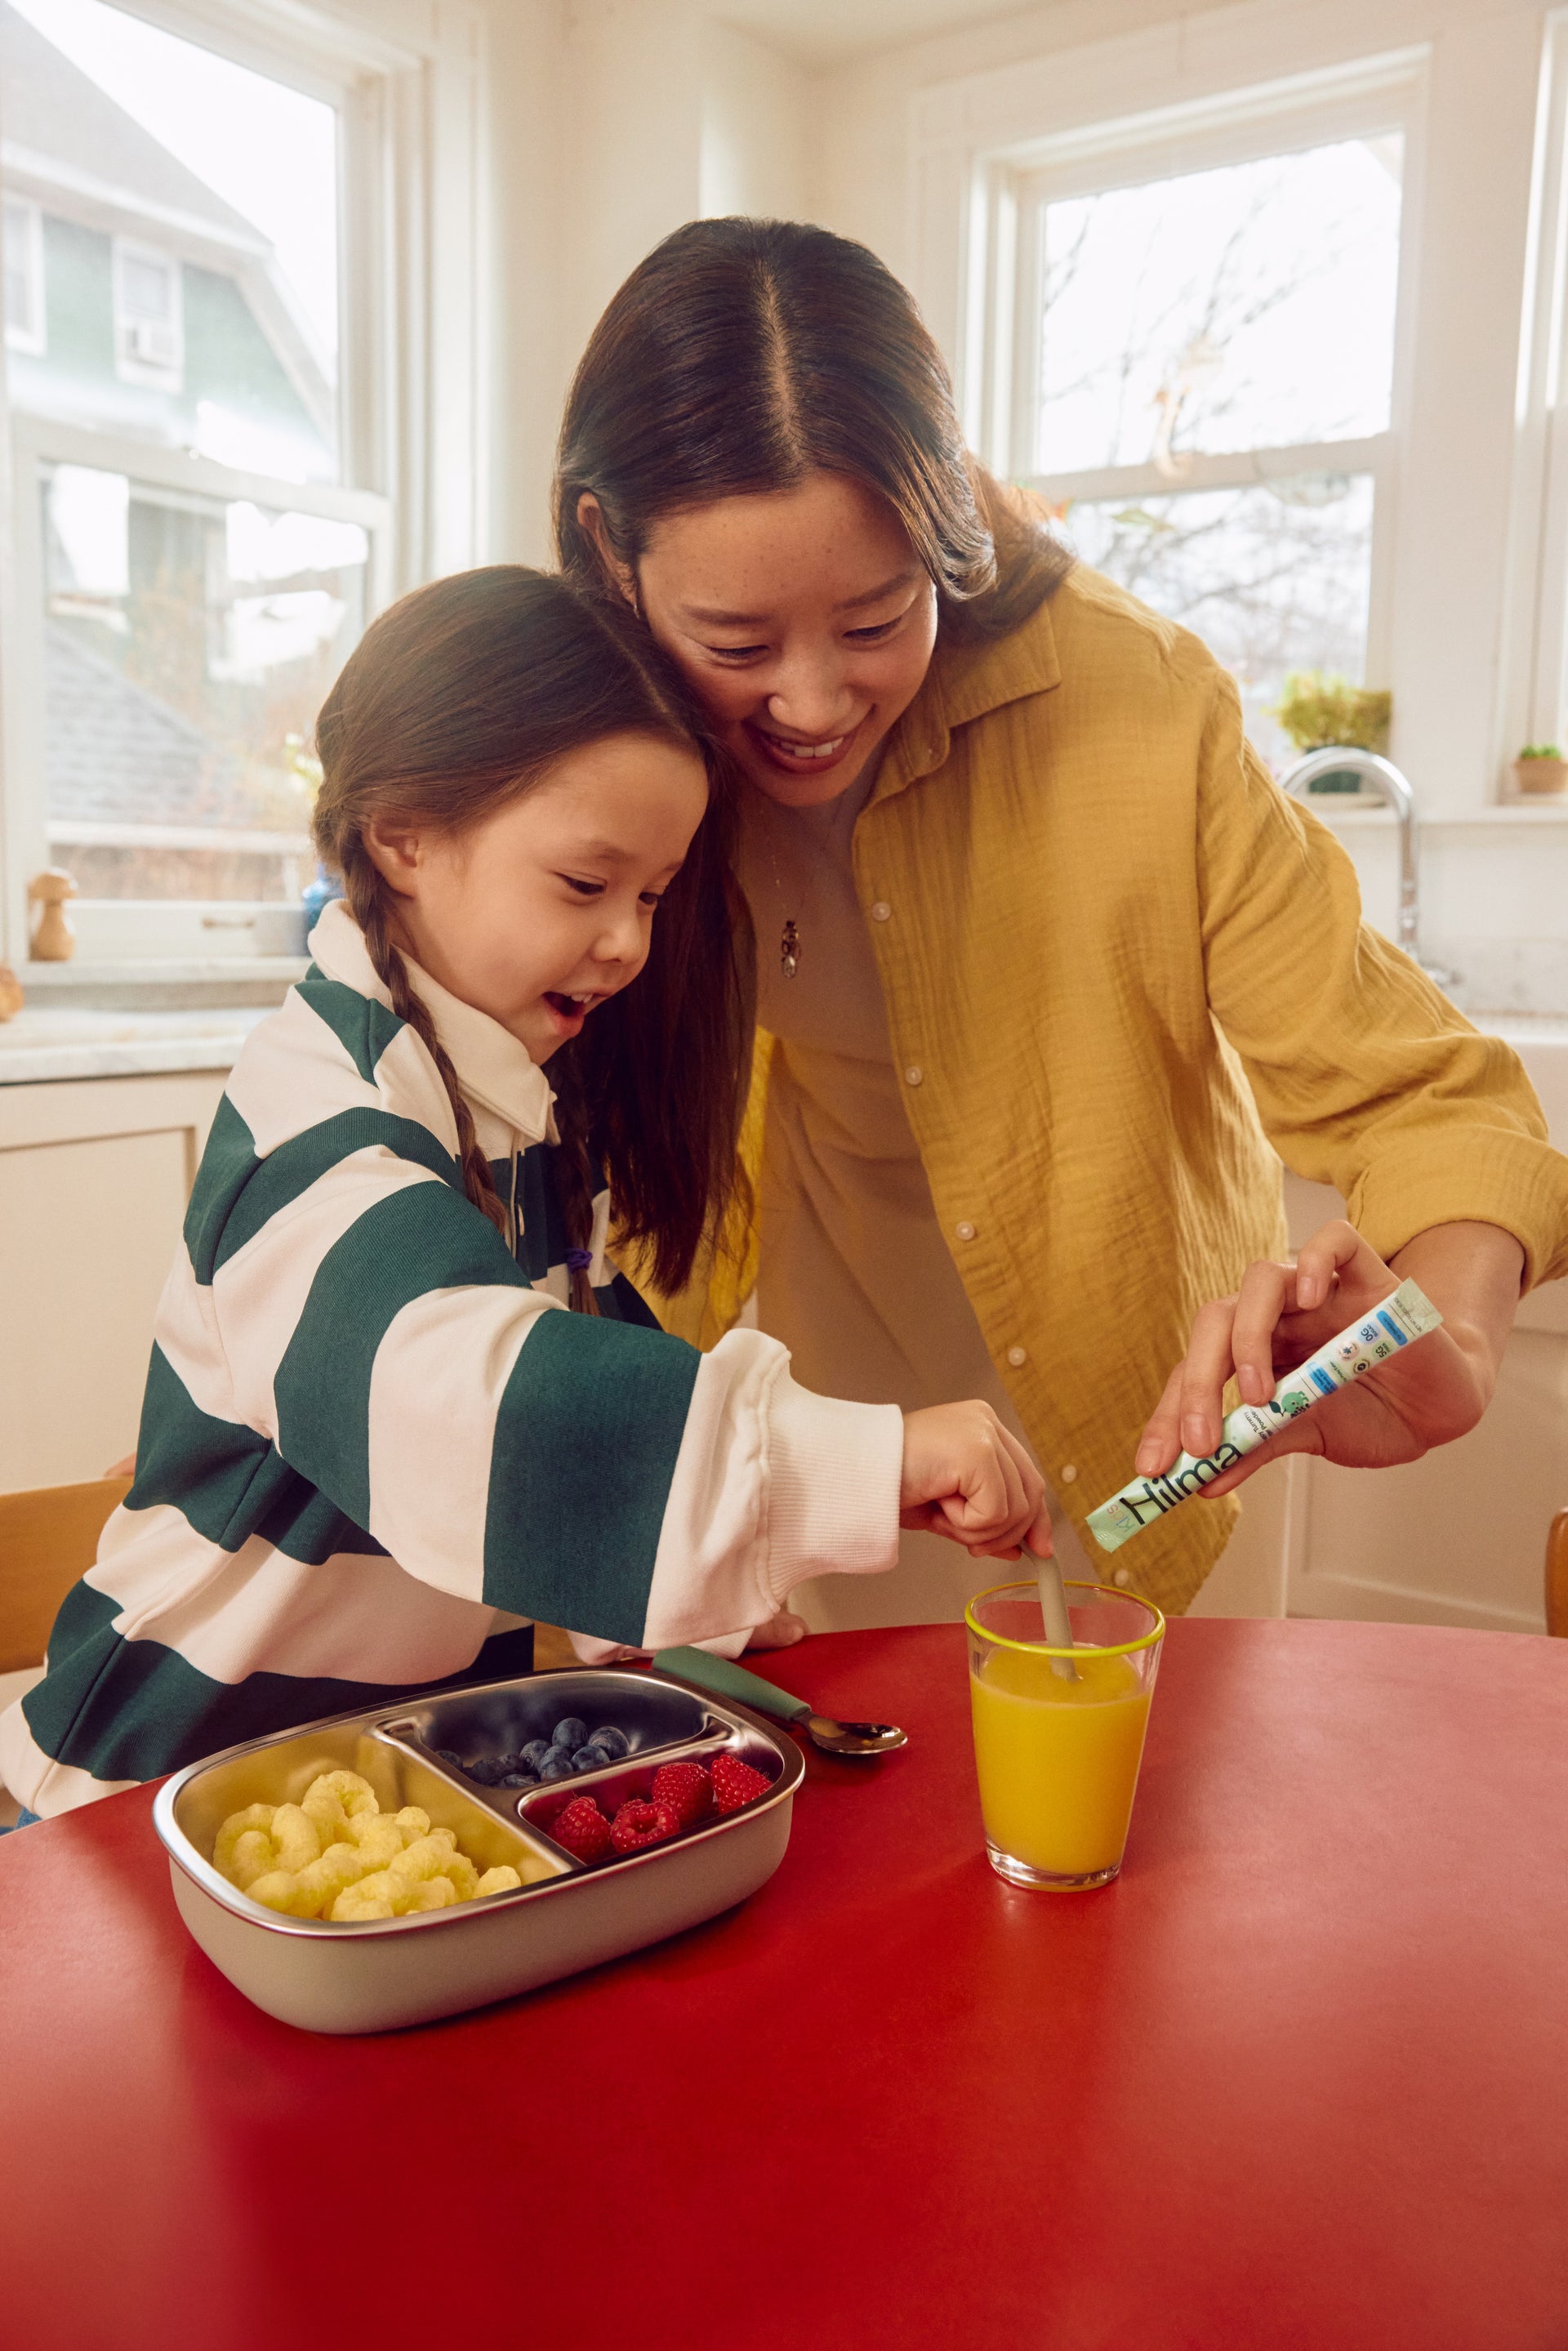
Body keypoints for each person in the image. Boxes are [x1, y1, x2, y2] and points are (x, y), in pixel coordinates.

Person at [554, 216, 1568, 1629]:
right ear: (608, 550)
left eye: (877, 620)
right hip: (830, 1416)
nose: (814, 701)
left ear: (944, 536)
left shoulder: (1134, 700)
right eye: (736, 644)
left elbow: (1432, 1099)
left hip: (1142, 1425)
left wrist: (1445, 1336)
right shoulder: (580, 739)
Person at [0, 568, 1048, 1821]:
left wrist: (672, 1571)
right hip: (147, 1788)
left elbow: (584, 1341)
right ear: (404, 836)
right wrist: (859, 1460)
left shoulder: (509, 1098)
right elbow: (484, 1406)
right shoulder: (319, 1119)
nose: (629, 941)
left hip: (352, 1787)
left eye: (651, 894)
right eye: (585, 885)